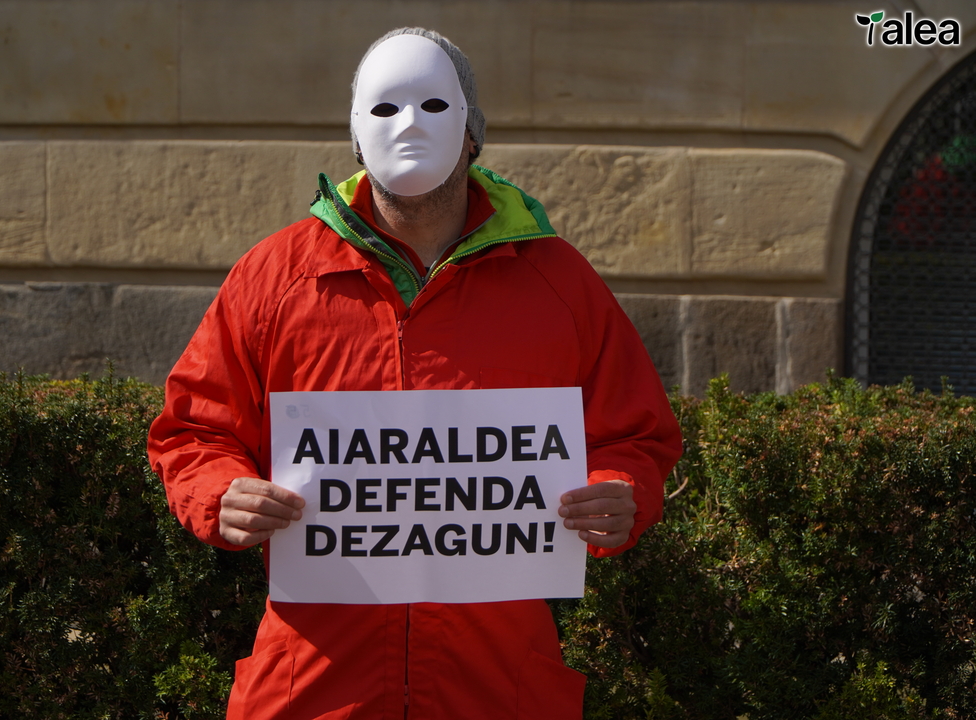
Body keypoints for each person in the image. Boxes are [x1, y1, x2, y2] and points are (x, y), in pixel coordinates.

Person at [148, 27, 682, 720]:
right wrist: (221, 492)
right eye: (384, 108)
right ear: (355, 135)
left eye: (433, 106)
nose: (408, 126)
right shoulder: (274, 278)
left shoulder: (558, 282)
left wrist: (619, 492)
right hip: (313, 693)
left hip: (498, 692)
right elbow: (195, 427)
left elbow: (635, 433)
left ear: (471, 133)